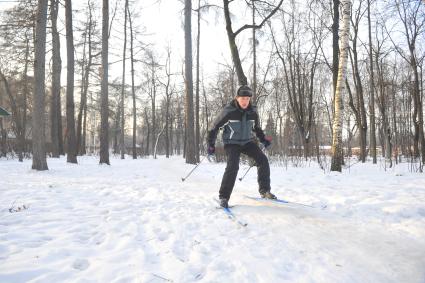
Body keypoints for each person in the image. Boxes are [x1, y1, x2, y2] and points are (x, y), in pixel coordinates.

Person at [206, 85, 276, 208]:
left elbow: (257, 128)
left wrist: (263, 139)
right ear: (237, 98)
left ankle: (265, 191)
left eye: (247, 99)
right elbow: (214, 127)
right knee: (233, 166)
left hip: (247, 142)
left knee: (263, 160)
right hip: (232, 143)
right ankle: (224, 197)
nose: (245, 101)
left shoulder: (252, 112)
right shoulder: (229, 112)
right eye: (243, 98)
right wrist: (211, 144)